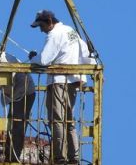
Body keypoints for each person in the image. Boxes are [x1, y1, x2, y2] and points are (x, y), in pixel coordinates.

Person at [28, 10, 95, 165]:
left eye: (41, 25)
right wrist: (94, 69)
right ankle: (74, 157)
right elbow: (85, 53)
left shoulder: (54, 35)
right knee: (68, 120)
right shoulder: (71, 31)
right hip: (73, 81)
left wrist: (34, 58)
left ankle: (60, 157)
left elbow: (44, 59)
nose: (41, 29)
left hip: (58, 82)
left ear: (49, 21)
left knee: (57, 120)